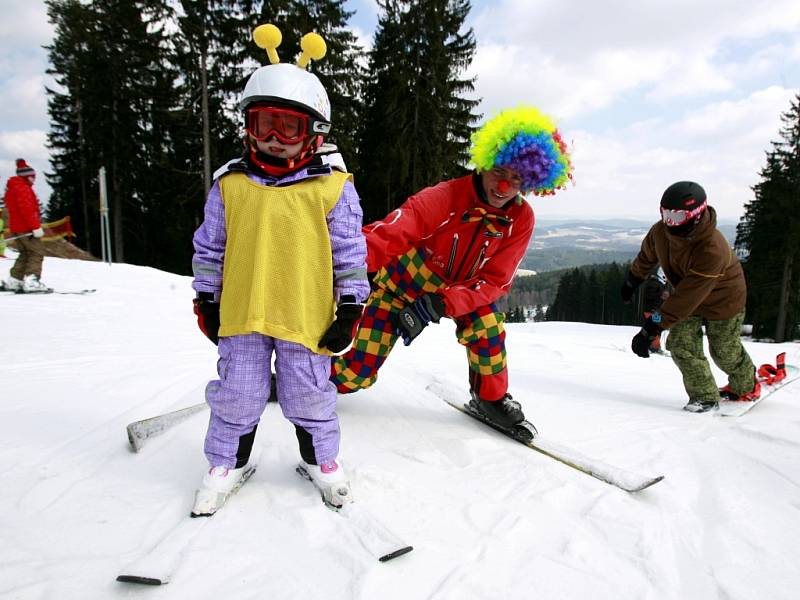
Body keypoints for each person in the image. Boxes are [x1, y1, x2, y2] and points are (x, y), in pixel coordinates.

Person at [189, 24, 369, 515]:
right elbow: (211, 246)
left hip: (305, 316)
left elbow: (350, 251)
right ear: (247, 124)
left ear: (314, 131)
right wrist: (207, 295)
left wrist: (351, 307)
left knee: (309, 394)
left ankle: (321, 460)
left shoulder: (332, 186)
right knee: (238, 394)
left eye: (287, 126)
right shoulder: (231, 183)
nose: (272, 137)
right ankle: (226, 462)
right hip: (244, 311)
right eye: (263, 122)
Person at [331, 106, 573, 439]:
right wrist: (342, 266)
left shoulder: (521, 219)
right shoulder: (446, 196)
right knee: (356, 374)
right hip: (400, 287)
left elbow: (495, 281)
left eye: (516, 178)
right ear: (484, 162)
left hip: (458, 294)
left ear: (531, 180)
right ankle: (308, 380)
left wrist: (442, 303)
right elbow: (389, 234)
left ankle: (490, 398)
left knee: (488, 325)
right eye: (498, 171)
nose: (503, 186)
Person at [622, 181, 759, 413]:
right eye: (665, 214)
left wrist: (652, 327)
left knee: (724, 352)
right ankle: (704, 396)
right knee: (680, 344)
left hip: (723, 301)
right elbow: (647, 255)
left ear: (695, 215)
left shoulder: (712, 248)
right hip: (688, 298)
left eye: (676, 216)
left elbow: (686, 297)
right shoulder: (661, 231)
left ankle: (746, 384)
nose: (669, 222)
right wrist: (633, 278)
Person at [3, 159, 49, 292]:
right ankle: (32, 280)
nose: (34, 179)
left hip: (16, 228)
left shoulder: (12, 189)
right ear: (26, 176)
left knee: (24, 253)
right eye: (32, 177)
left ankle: (15, 280)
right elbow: (27, 210)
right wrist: (35, 227)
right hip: (27, 228)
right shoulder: (23, 189)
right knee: (36, 252)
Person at [640, 267, 670, 353]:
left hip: (655, 310)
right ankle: (653, 348)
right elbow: (649, 296)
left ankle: (650, 346)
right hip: (652, 310)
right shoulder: (653, 283)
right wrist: (661, 295)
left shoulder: (660, 284)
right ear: (663, 275)